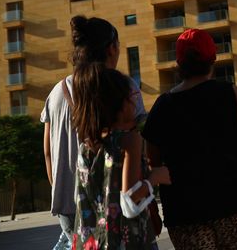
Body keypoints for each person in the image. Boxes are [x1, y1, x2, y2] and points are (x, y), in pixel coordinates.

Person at [142, 29, 237, 249]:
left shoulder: (163, 105)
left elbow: (152, 159)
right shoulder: (232, 94)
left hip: (185, 211)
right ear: (213, 58)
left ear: (179, 62)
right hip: (232, 202)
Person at [42, 16, 148, 250]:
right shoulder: (124, 87)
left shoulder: (56, 93)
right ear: (112, 48)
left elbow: (48, 151)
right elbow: (138, 141)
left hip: (69, 200)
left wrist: (60, 188)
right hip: (116, 199)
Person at [71, 64, 170, 249]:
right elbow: (130, 202)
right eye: (132, 96)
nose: (135, 102)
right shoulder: (130, 140)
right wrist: (156, 177)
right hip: (125, 242)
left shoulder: (86, 146)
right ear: (121, 103)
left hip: (89, 243)